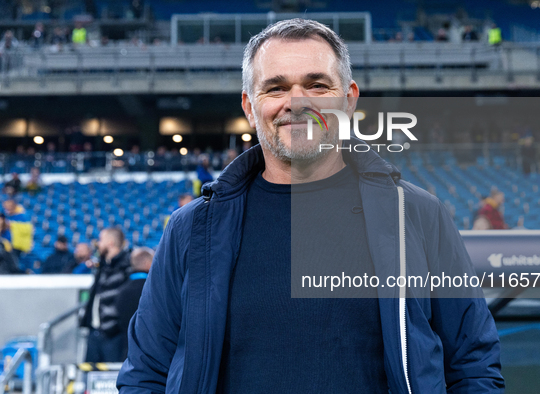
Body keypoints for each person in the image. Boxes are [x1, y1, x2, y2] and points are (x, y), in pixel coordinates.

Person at [118, 19, 504, 393]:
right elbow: (147, 371)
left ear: (349, 99)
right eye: (275, 88)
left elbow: (472, 363)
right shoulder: (192, 229)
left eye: (317, 85)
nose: (296, 102)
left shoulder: (418, 215)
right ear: (250, 107)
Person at [82, 227, 130, 362]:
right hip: (95, 333)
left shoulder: (126, 267)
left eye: (101, 240)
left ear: (110, 243)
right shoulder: (103, 266)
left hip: (114, 335)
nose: (98, 244)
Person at [115, 247, 154, 360]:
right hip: (150, 354)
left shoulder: (121, 290)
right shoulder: (154, 290)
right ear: (147, 263)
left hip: (126, 352)